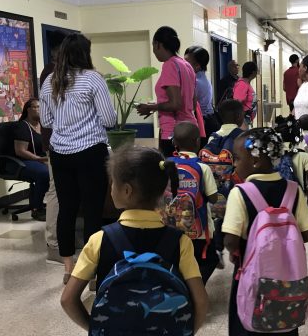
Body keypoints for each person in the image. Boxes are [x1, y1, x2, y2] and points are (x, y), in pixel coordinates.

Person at [60, 146, 208, 333]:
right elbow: (201, 301)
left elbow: (67, 300)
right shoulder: (180, 241)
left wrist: (96, 329)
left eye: (112, 183)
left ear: (126, 190)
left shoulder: (100, 240)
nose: (111, 188)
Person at [40, 32, 117, 285]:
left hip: (60, 154)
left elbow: (46, 121)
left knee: (67, 209)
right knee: (93, 211)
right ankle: (92, 272)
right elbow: (109, 120)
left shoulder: (51, 81)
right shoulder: (93, 79)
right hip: (90, 153)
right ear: (86, 53)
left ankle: (69, 268)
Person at [222, 128, 308, 336]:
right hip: (288, 279)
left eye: (237, 158)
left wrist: (233, 249)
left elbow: (230, 239)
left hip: (250, 277)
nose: (234, 164)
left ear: (255, 161)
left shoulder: (241, 193)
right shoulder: (293, 190)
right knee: (285, 321)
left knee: (246, 323)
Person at [170, 122, 220, 284]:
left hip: (172, 226)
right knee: (208, 259)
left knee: (178, 260)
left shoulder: (167, 164)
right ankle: (195, 288)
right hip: (199, 229)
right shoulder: (202, 167)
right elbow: (213, 198)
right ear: (198, 142)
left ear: (174, 143)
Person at [137, 26, 197, 157]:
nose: (153, 51)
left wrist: (151, 107)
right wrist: (154, 106)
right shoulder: (186, 65)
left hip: (174, 132)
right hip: (190, 129)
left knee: (172, 174)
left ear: (158, 44)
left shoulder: (169, 65)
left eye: (153, 46)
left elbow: (176, 104)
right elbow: (192, 103)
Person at [202, 99, 245, 269]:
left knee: (216, 217)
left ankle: (217, 249)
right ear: (238, 116)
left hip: (213, 187)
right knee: (235, 217)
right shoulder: (239, 137)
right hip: (233, 186)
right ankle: (236, 250)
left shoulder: (213, 135)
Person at [39, 30, 67, 265]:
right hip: (56, 142)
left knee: (62, 190)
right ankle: (53, 244)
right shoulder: (51, 73)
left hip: (66, 142)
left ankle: (63, 239)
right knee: (56, 190)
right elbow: (47, 117)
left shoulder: (65, 72)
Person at [13, 98, 50, 222]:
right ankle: (37, 208)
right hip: (25, 162)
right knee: (44, 173)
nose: (40, 110)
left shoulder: (43, 125)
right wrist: (39, 159)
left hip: (42, 159)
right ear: (28, 110)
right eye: (37, 107)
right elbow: (20, 151)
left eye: (41, 107)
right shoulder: (23, 127)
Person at [185, 46, 219, 145]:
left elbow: (188, 105)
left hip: (203, 123)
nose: (183, 65)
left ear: (197, 66)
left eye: (187, 63)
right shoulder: (202, 78)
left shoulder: (196, 81)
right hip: (208, 120)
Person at [233, 61, 258, 129]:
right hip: (243, 121)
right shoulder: (242, 84)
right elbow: (237, 103)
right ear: (253, 72)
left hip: (247, 119)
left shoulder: (246, 84)